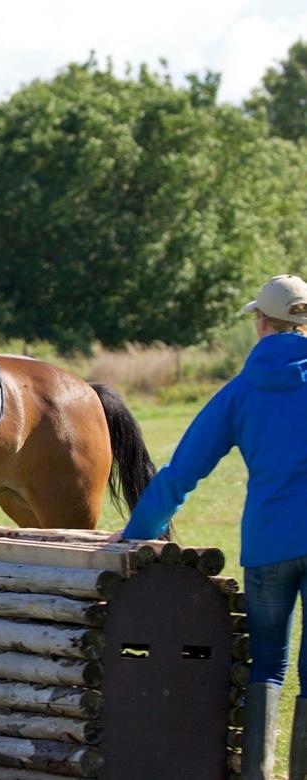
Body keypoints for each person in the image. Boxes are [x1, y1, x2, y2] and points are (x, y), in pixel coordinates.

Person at [111, 274, 307, 779]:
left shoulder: (239, 392)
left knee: (267, 666)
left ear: (262, 323)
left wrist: (140, 528)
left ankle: (258, 774)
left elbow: (182, 472)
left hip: (268, 546)